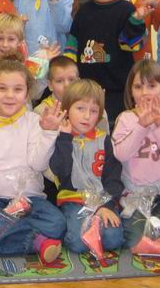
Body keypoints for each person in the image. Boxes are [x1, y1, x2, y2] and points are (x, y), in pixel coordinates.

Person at [0, 58, 67, 264]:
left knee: (57, 223)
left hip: (30, 200)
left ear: (27, 94)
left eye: (18, 89)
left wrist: (49, 133)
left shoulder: (35, 122)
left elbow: (39, 165)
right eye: (2, 88)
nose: (10, 95)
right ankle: (37, 242)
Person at [112, 59, 160, 250]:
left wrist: (159, 125)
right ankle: (153, 238)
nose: (145, 92)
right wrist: (141, 126)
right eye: (138, 87)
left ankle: (157, 238)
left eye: (152, 86)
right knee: (134, 239)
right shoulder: (125, 119)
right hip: (133, 195)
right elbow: (121, 155)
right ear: (131, 91)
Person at [66, 0, 147, 125]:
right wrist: (69, 69)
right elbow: (72, 43)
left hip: (116, 91)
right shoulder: (84, 10)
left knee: (114, 130)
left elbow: (131, 46)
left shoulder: (126, 10)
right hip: (87, 90)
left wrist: (136, 21)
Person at [49, 79, 125, 255]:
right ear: (67, 109)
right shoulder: (60, 138)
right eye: (80, 108)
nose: (87, 116)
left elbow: (113, 178)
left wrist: (107, 206)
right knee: (79, 243)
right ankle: (70, 229)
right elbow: (61, 171)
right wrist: (65, 139)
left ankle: (95, 226)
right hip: (73, 201)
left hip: (102, 201)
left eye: (93, 111)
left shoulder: (104, 140)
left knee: (114, 239)